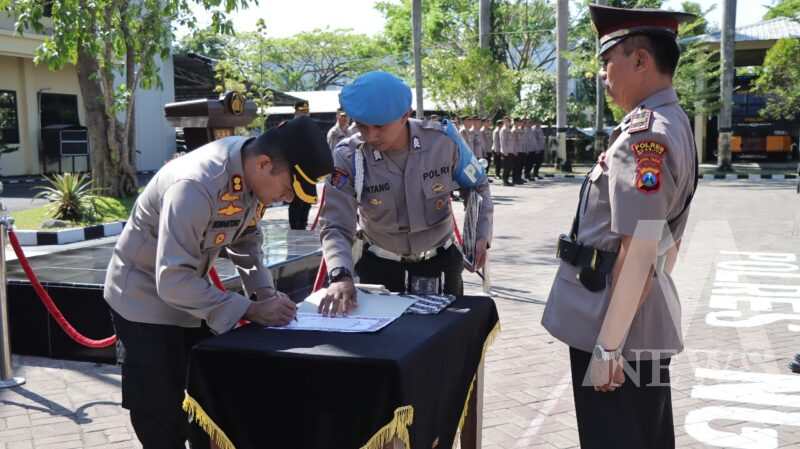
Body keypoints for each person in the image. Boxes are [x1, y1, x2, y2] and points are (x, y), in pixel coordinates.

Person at [104, 117, 333, 449]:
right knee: (160, 410)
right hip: (144, 301)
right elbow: (172, 281)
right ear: (265, 164)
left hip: (191, 296)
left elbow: (246, 240)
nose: (285, 199)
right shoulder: (196, 185)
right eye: (287, 190)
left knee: (206, 403)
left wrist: (265, 293)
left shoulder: (251, 173)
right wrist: (251, 309)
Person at [540, 5, 698, 449]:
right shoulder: (675, 123)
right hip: (638, 317)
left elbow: (642, 244)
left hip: (613, 325)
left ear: (641, 60)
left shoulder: (644, 136)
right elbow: (669, 236)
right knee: (646, 434)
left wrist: (609, 347)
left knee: (615, 436)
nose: (603, 77)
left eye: (608, 63)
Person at [317, 71, 494, 315]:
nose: (370, 135)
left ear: (405, 116)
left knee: (445, 346)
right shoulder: (348, 156)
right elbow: (335, 224)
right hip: (379, 269)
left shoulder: (443, 142)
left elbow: (477, 186)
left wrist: (479, 234)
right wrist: (340, 274)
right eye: (361, 125)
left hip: (440, 264)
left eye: (379, 126)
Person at [288, 100, 313, 229]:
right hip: (294, 171)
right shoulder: (288, 127)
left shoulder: (311, 128)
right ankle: (294, 228)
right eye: (302, 112)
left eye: (306, 112)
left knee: (308, 201)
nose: (305, 115)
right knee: (296, 201)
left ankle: (303, 225)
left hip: (309, 171)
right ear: (296, 112)